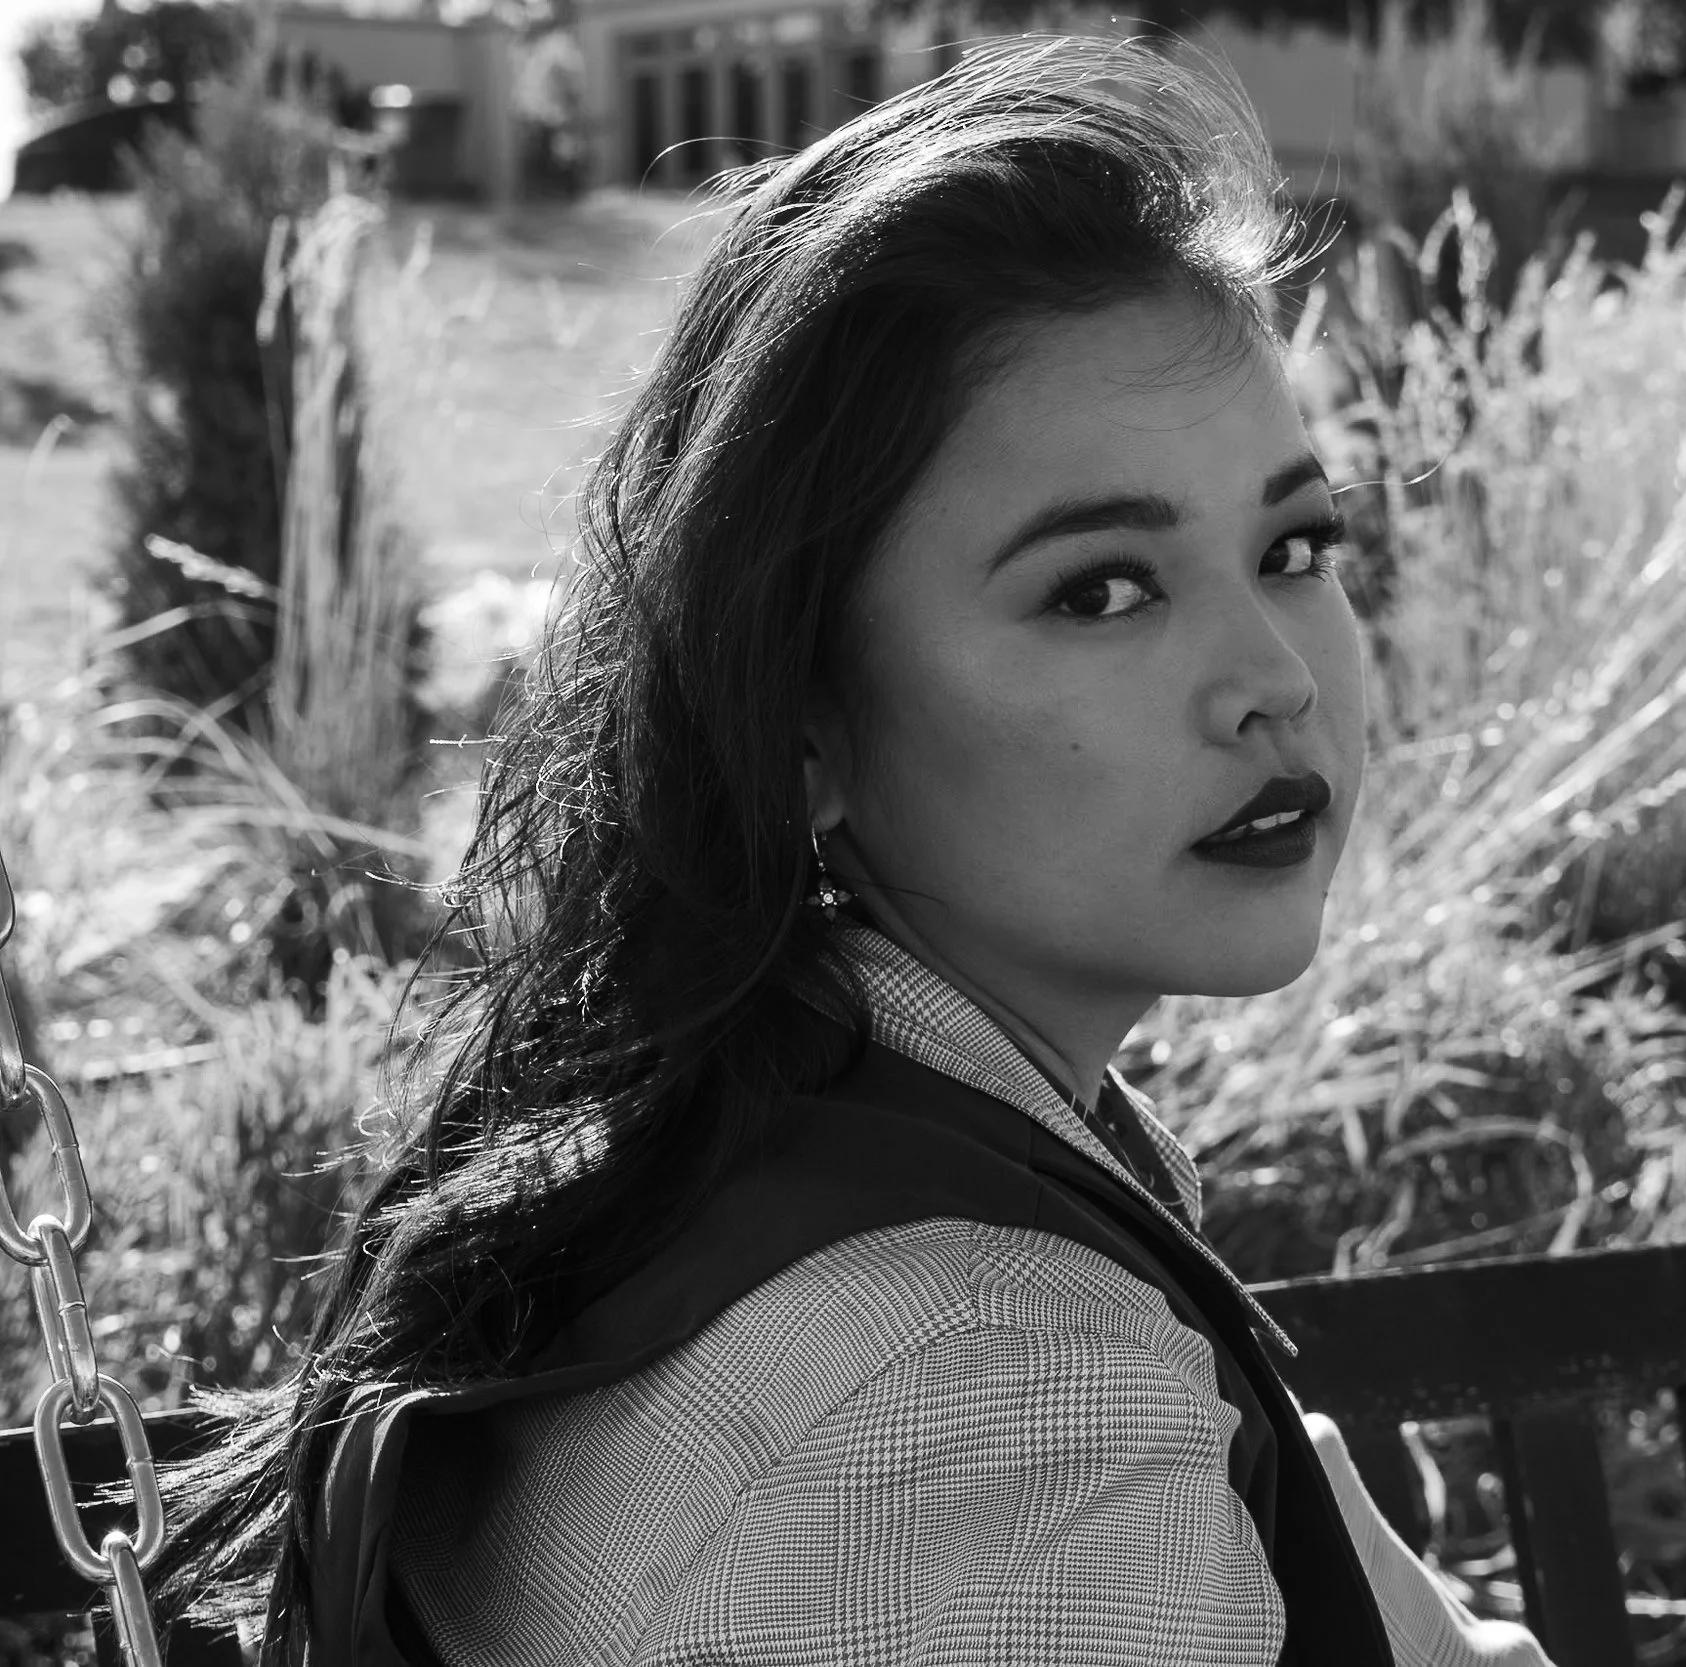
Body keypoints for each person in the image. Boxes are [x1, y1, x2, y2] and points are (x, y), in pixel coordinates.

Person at [159, 32, 1554, 1667]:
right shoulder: (1001, 1410)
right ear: (804, 725)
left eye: (1296, 542)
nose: (1278, 677)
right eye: (1101, 587)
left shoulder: (701, 1157)